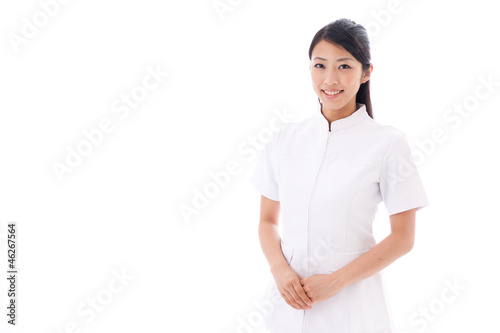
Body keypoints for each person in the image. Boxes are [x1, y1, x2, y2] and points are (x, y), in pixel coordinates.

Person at [249, 18, 429, 332]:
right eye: (320, 65)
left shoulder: (387, 144)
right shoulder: (285, 139)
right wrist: (279, 269)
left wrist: (336, 281)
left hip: (352, 308)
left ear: (366, 72)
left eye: (344, 67)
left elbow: (403, 238)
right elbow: (267, 221)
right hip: (286, 307)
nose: (330, 79)